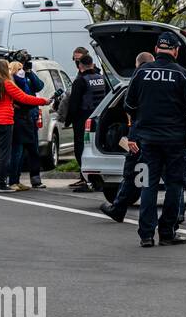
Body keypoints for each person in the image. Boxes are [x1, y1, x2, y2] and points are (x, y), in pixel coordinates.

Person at [124, 33, 186, 247]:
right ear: (177, 51)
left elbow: (129, 105)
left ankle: (146, 235)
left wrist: (141, 121)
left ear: (156, 49)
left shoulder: (141, 72)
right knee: (174, 185)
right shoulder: (182, 74)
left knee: (148, 185)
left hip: (148, 141)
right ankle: (167, 232)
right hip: (175, 141)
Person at [0, 59, 50, 192]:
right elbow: (24, 98)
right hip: (5, 123)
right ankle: (1, 184)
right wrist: (44, 101)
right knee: (4, 154)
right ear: (6, 69)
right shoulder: (7, 83)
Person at [99, 52, 155, 222]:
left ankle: (118, 209)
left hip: (140, 134)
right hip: (165, 135)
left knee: (132, 172)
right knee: (170, 178)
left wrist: (131, 135)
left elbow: (129, 107)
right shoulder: (166, 80)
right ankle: (177, 214)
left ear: (137, 65)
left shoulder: (137, 81)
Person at [66, 54, 109, 192]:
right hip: (100, 118)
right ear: (92, 63)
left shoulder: (80, 81)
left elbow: (74, 104)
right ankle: (97, 181)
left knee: (81, 149)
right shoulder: (102, 78)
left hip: (83, 119)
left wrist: (67, 120)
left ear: (80, 65)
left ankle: (87, 181)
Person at [7, 51, 47, 191]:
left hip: (32, 116)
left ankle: (35, 179)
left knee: (33, 149)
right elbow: (21, 96)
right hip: (19, 117)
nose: (23, 65)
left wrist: (29, 72)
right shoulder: (11, 78)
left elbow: (39, 86)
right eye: (21, 62)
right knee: (17, 150)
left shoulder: (26, 74)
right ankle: (13, 180)